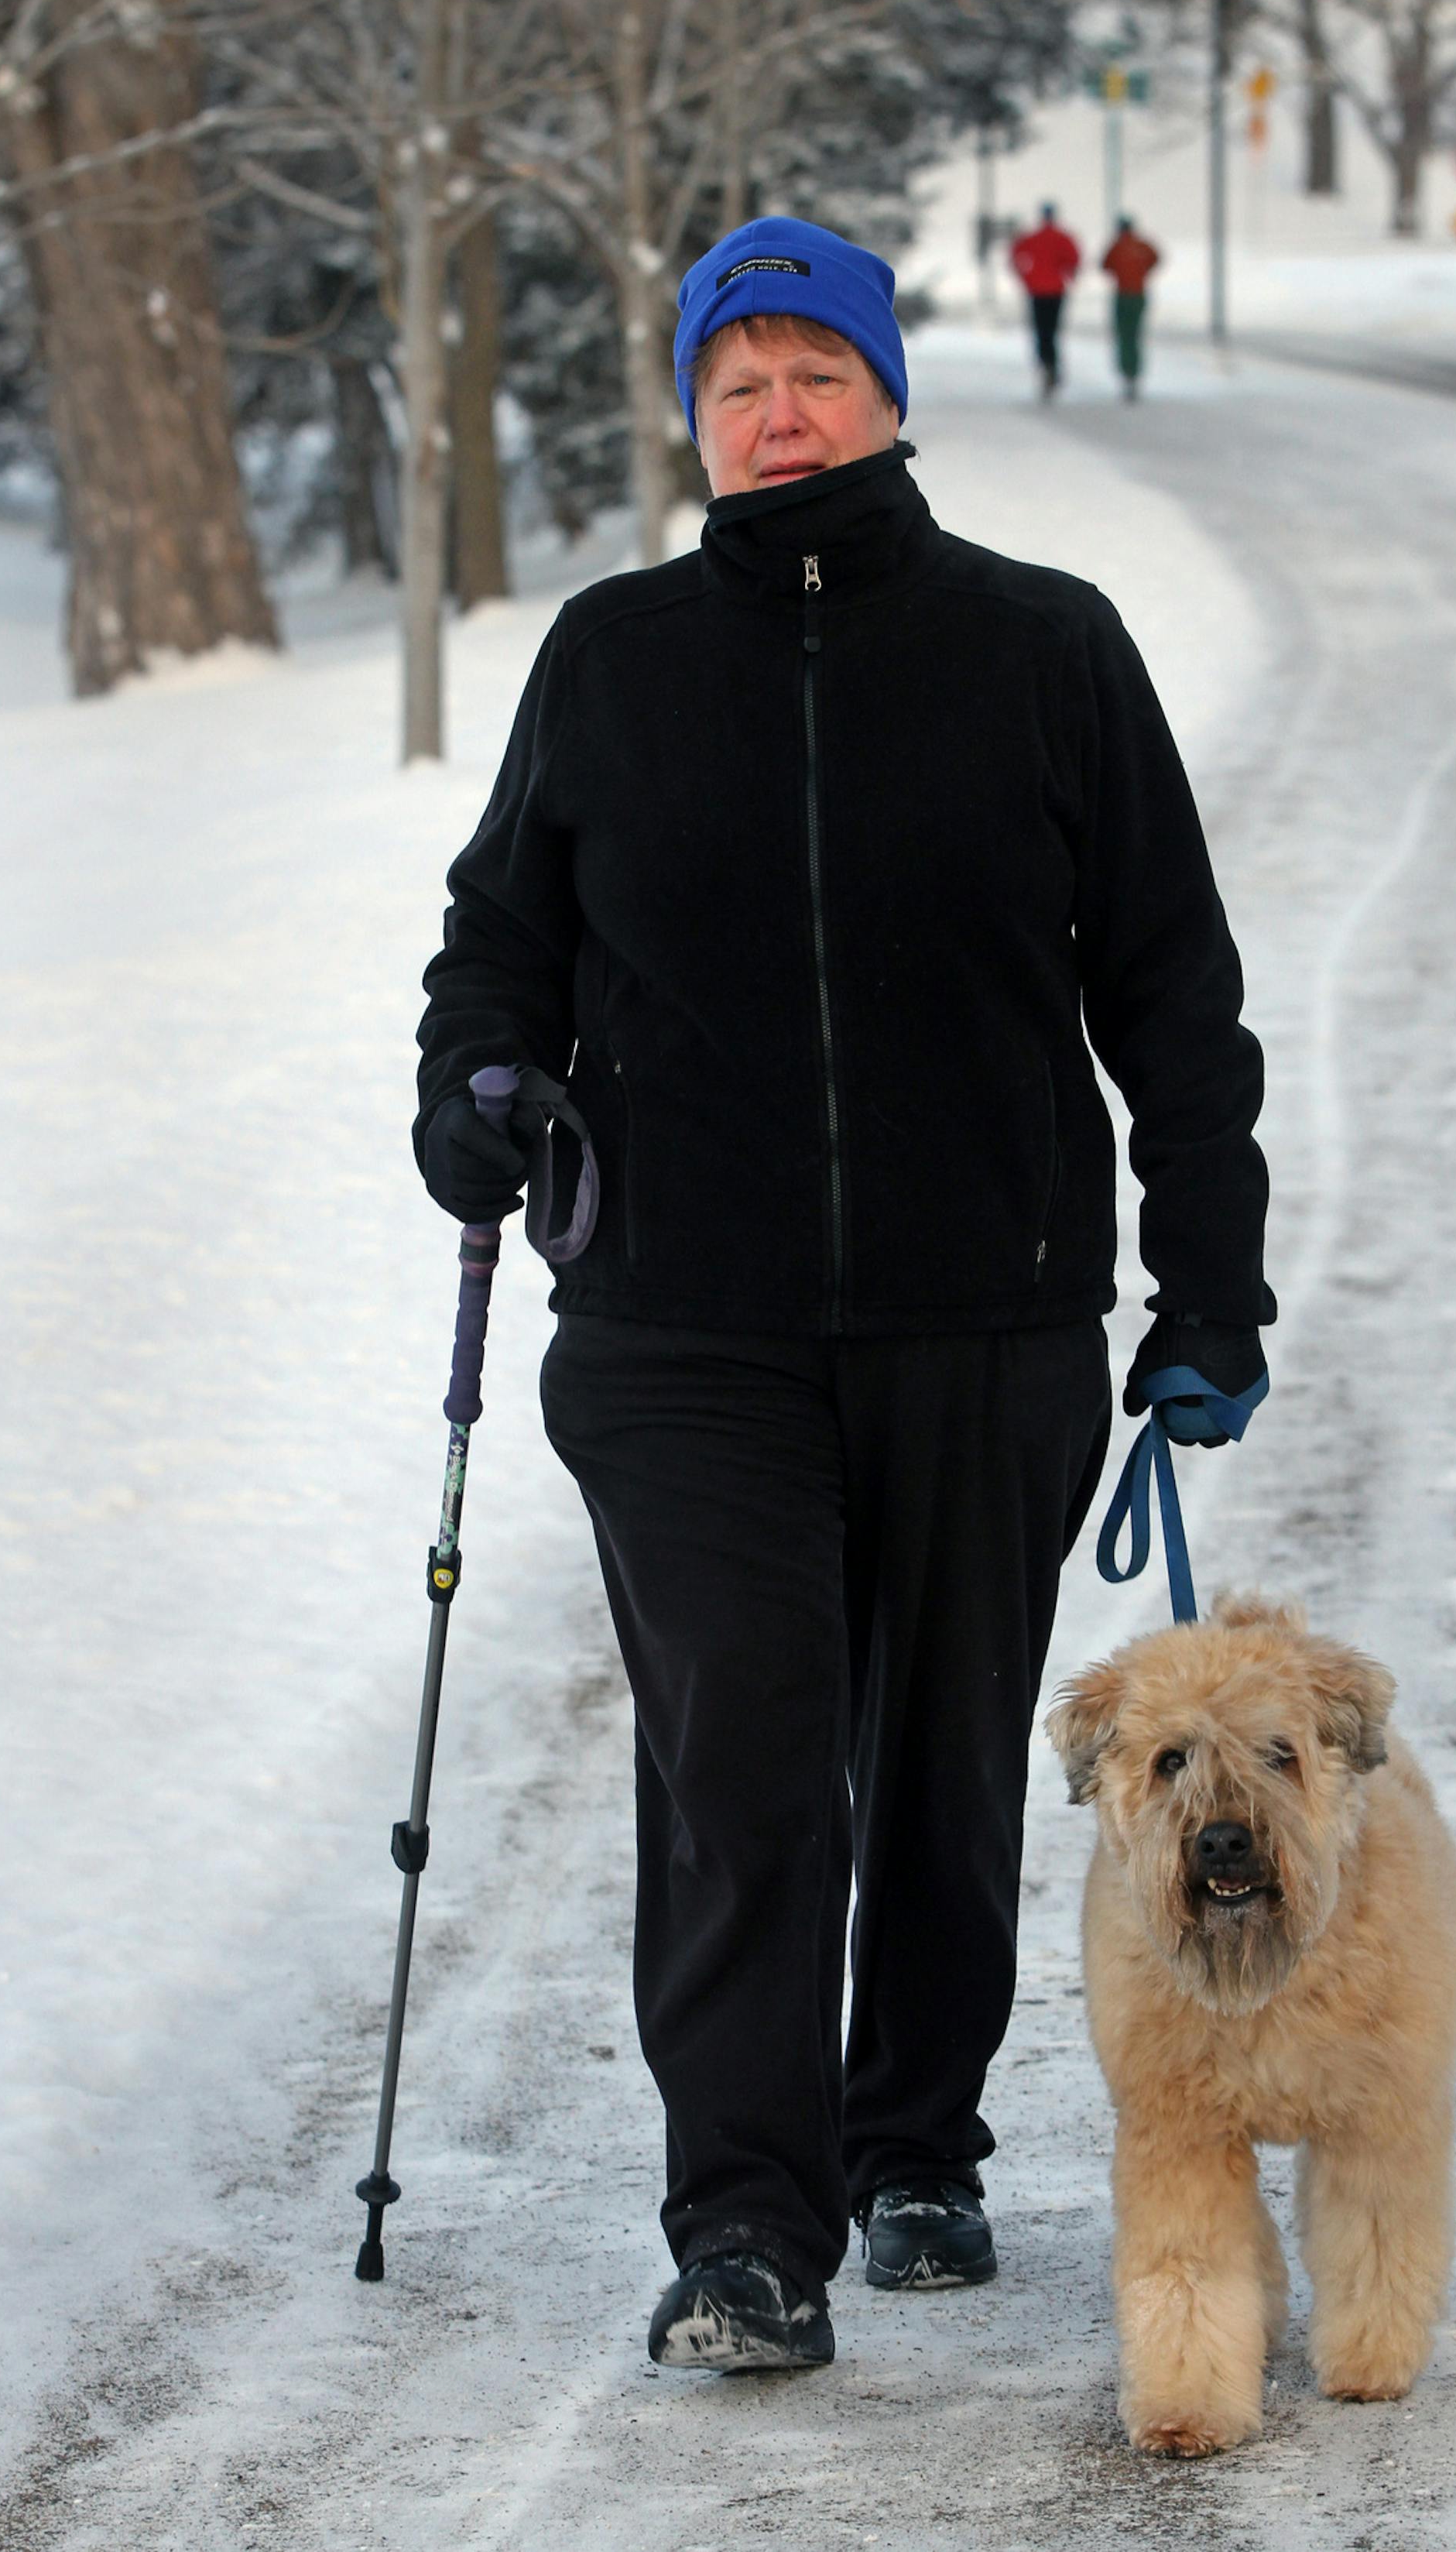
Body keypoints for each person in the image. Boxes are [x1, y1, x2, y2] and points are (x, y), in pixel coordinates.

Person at [414, 213, 1273, 2375]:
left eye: (814, 371)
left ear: (890, 395)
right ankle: (747, 2221)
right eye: (737, 383)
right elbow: (498, 935)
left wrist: (1210, 1278)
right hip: (679, 1325)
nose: (777, 411)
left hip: (984, 1311)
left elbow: (1173, 992)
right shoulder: (610, 660)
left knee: (941, 1742)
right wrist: (478, 1086)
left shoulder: (1044, 648)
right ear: (693, 420)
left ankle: (917, 2143)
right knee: (745, 1748)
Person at [1009, 203, 1082, 399]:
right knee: (1053, 330)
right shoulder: (1062, 237)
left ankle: (1046, 364)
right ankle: (1051, 366)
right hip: (1056, 290)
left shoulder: (1033, 238)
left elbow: (1015, 255)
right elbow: (1074, 259)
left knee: (1041, 331)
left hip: (1038, 290)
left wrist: (1026, 277)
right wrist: (1069, 276)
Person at [1100, 214, 1162, 403]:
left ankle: (1128, 371)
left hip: (1124, 295)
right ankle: (1133, 371)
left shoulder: (1118, 246)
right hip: (1138, 294)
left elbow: (1105, 265)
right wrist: (1142, 272)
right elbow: (1156, 258)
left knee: (1125, 335)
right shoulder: (1141, 245)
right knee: (1134, 335)